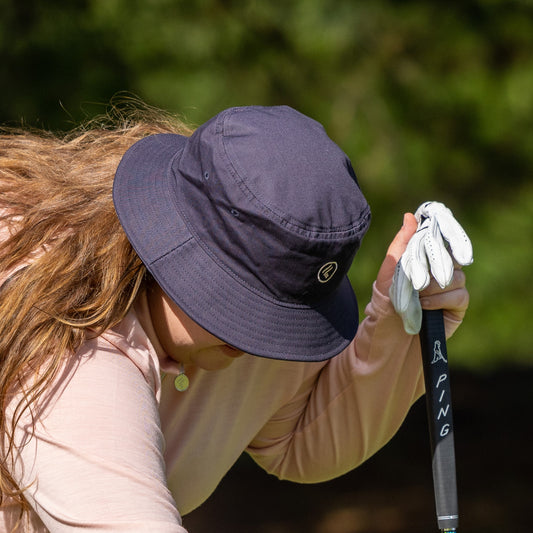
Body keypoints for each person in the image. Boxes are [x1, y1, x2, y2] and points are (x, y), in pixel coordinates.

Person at [0, 102, 469, 532]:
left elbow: (300, 436)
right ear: (171, 242)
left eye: (278, 316)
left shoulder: (233, 315)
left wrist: (399, 326)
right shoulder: (71, 349)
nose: (256, 341)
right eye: (241, 306)